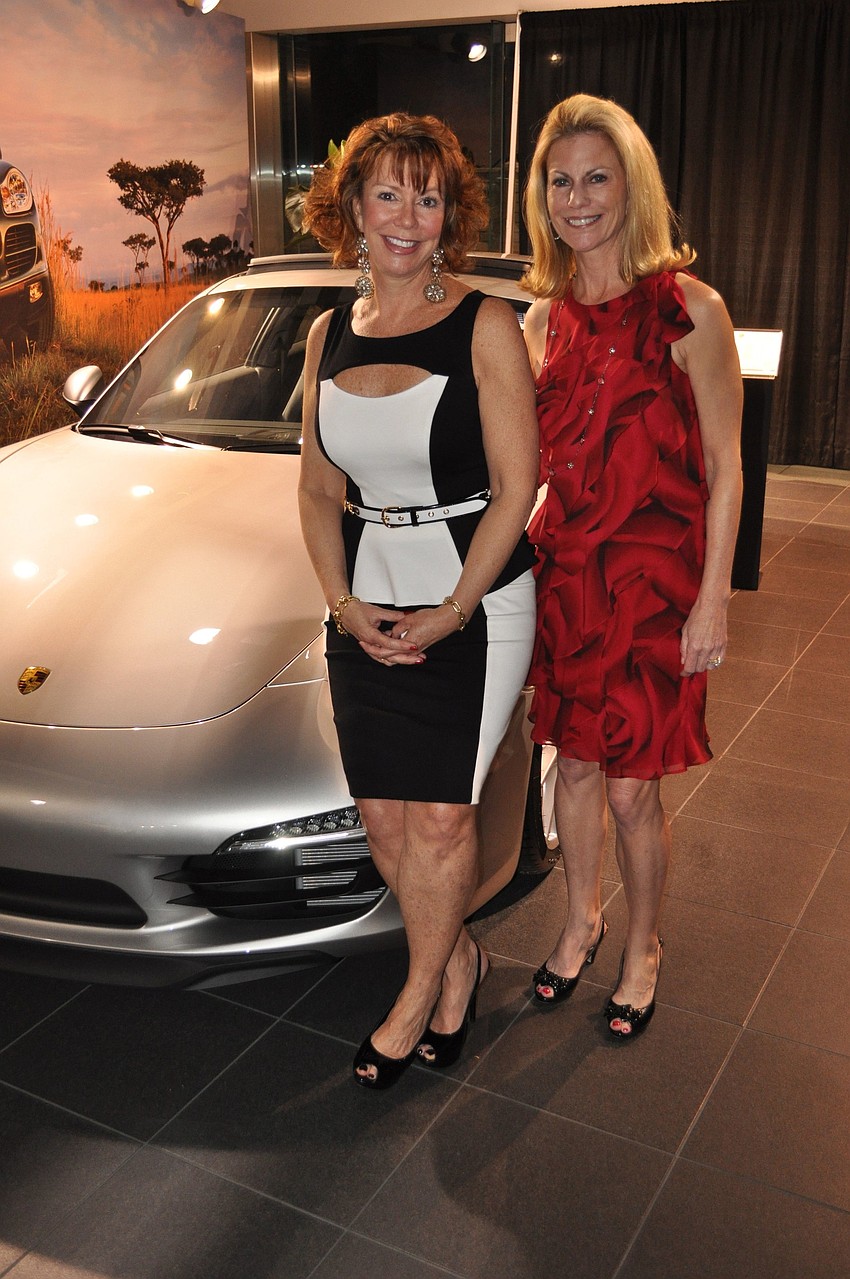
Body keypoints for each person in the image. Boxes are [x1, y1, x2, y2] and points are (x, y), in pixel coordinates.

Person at [298, 113, 539, 1088]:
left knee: (441, 821)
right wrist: (343, 604)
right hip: (365, 602)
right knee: (385, 825)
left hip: (475, 602)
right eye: (388, 193)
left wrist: (452, 609)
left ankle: (417, 997)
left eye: (427, 196)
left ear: (450, 215)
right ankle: (461, 959)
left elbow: (517, 486)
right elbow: (317, 489)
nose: (408, 216)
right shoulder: (328, 334)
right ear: (352, 207)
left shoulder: (485, 324)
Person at [522, 94, 743, 1039]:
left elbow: (729, 470)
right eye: (560, 180)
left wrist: (714, 601)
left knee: (630, 787)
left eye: (596, 177)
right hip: (567, 584)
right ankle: (581, 918)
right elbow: (532, 471)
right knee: (572, 772)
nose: (578, 199)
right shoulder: (543, 321)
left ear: (632, 187)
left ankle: (643, 943)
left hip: (657, 589)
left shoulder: (690, 310)